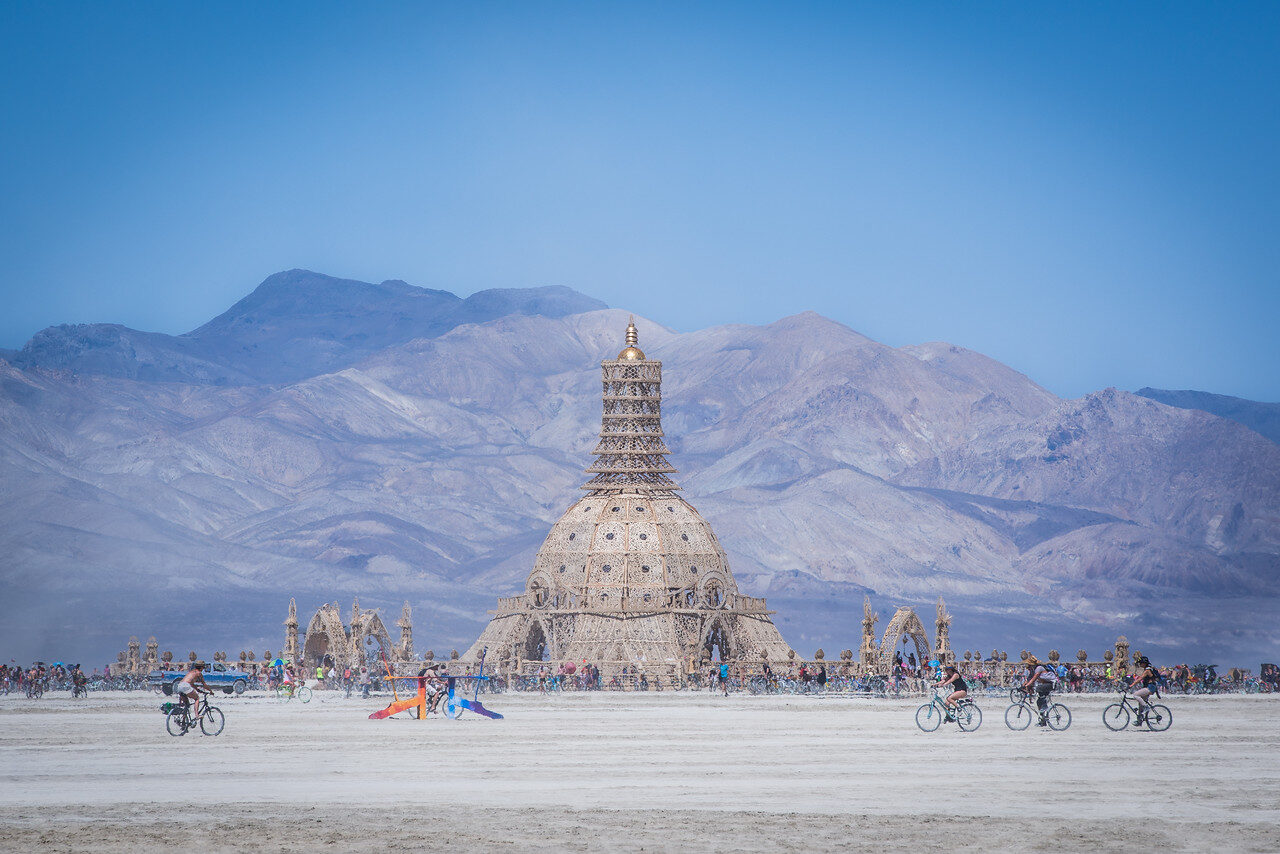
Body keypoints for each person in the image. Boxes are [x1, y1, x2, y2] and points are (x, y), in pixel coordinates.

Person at [1022, 656, 1057, 726]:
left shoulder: (1039, 668)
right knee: (1038, 702)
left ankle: (1044, 706)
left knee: (1038, 688)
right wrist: (1023, 686)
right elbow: (1029, 679)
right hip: (1046, 685)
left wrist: (1027, 685)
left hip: (1051, 684)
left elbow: (1033, 679)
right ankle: (1043, 721)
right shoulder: (1033, 670)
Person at [1131, 656, 1160, 723]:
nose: (1140, 664)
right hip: (1149, 687)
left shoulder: (1147, 670)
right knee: (1140, 704)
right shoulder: (1148, 669)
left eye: (1141, 663)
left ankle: (1146, 707)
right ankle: (1139, 721)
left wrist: (1131, 685)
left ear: (1144, 663)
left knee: (1135, 695)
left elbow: (1140, 678)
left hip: (1150, 687)